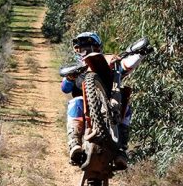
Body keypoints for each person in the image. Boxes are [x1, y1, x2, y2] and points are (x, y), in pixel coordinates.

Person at [61, 31, 143, 168]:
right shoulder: (75, 68)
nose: (86, 50)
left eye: (90, 46)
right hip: (83, 107)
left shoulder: (110, 62)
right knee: (75, 102)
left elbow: (126, 66)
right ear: (77, 50)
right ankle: (75, 143)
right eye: (82, 47)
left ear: (98, 48)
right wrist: (71, 77)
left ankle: (121, 149)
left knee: (126, 107)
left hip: (111, 103)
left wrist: (140, 54)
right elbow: (64, 88)